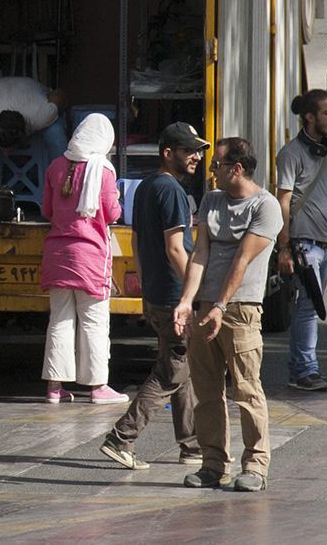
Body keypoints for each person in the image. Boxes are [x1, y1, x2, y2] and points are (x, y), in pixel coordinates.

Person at [172, 137, 283, 493]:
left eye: (216, 165)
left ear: (236, 168)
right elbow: (200, 253)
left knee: (247, 390)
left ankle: (256, 466)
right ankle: (213, 464)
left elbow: (242, 260)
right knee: (206, 390)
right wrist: (188, 301)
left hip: (241, 309)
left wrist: (221, 306)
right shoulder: (212, 200)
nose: (211, 172)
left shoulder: (265, 207)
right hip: (207, 308)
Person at [100, 122, 207, 471]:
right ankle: (122, 437)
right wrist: (193, 292)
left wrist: (147, 285)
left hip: (158, 294)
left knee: (183, 368)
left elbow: (136, 240)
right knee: (171, 371)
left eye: (198, 151)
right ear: (168, 153)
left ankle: (192, 446)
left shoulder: (146, 186)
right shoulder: (172, 190)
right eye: (188, 150)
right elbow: (175, 248)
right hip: (175, 295)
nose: (196, 156)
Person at [39, 113, 127, 405]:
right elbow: (112, 213)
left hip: (57, 255)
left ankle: (54, 388)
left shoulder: (55, 166)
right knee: (93, 322)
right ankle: (98, 387)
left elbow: (47, 210)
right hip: (89, 257)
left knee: (59, 320)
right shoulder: (103, 171)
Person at [276, 89, 327, 392]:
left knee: (311, 305)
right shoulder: (291, 154)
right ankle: (305, 371)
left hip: (326, 242)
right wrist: (284, 247)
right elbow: (282, 201)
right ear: (309, 117)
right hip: (303, 243)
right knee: (309, 305)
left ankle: (303, 369)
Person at [0, 76, 68, 196]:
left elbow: (60, 94)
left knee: (55, 133)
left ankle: (63, 184)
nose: (5, 154)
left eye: (8, 149)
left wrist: (56, 109)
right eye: (1, 149)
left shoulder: (41, 115)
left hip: (32, 97)